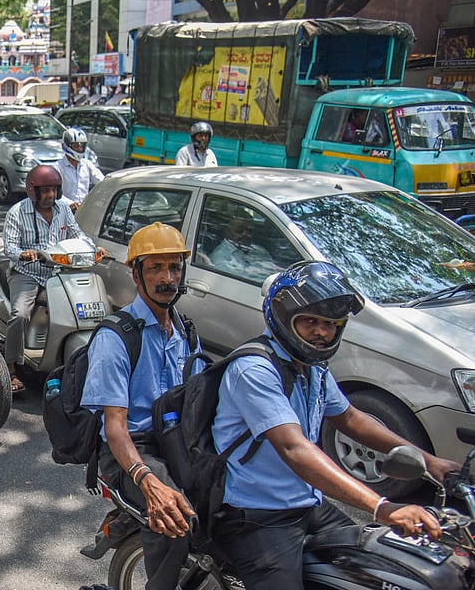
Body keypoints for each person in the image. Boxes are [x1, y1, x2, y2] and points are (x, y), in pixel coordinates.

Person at [210, 260, 460, 589]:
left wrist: (430, 462)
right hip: (259, 515)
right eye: (310, 322)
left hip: (307, 503)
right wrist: (382, 508)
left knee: (378, 572)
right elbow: (293, 448)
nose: (322, 332)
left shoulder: (312, 367)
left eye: (330, 324)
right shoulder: (255, 370)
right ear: (284, 319)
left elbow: (351, 419)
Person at [81, 222, 200, 590]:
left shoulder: (185, 330)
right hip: (129, 452)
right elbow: (115, 427)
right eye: (156, 268)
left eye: (175, 268)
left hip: (176, 442)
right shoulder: (116, 338)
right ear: (136, 273)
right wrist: (148, 481)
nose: (168, 278)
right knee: (173, 517)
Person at [1, 164, 105, 392]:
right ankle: (10, 367)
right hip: (27, 273)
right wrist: (23, 254)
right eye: (45, 191)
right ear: (33, 191)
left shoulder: (64, 210)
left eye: (53, 190)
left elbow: (78, 234)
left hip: (59, 273)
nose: (50, 196)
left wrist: (95, 249)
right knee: (19, 314)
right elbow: (9, 246)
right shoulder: (17, 212)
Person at [209, 215, 277, 280]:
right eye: (239, 230)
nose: (245, 234)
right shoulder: (220, 257)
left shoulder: (260, 251)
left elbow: (274, 273)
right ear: (227, 231)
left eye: (249, 230)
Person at [52, 127, 104, 212]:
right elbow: (55, 192)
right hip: (65, 211)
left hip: (85, 210)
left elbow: (102, 181)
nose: (80, 149)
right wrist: (70, 203)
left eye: (82, 146)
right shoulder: (58, 167)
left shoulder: (87, 165)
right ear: (66, 145)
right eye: (76, 146)